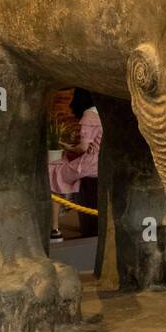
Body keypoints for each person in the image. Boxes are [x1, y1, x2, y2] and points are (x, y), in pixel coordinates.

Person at [49, 89, 102, 242]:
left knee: (53, 171)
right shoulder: (101, 114)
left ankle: (55, 229)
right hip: (99, 162)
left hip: (89, 164)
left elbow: (84, 148)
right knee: (64, 163)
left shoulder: (88, 116)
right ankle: (68, 202)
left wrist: (69, 147)